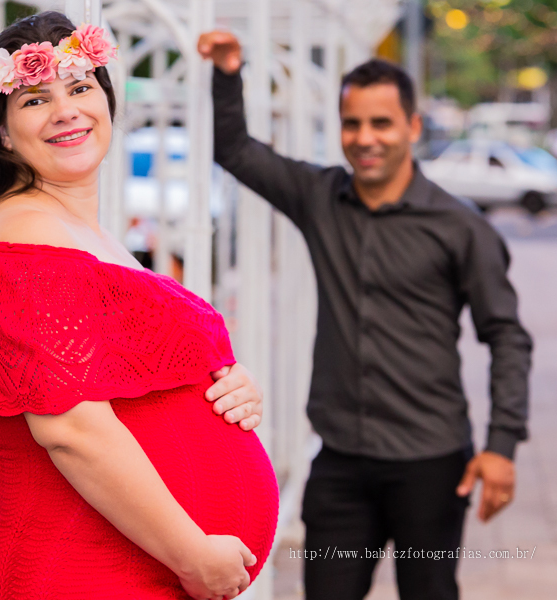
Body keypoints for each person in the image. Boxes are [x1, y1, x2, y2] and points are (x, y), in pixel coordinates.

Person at [0, 13, 279, 600]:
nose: (66, 110)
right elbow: (71, 428)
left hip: (126, 568)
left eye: (79, 87)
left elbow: (126, 371)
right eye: (35, 99)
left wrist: (222, 380)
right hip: (82, 571)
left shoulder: (74, 231)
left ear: (107, 101)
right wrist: (193, 555)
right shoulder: (24, 239)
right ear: (2, 134)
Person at [198, 32, 532, 600]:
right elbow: (235, 151)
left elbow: (506, 337)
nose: (365, 139)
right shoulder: (319, 196)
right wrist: (230, 71)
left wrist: (500, 446)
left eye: (382, 124)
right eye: (353, 124)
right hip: (340, 464)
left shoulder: (460, 228)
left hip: (431, 462)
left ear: (413, 127)